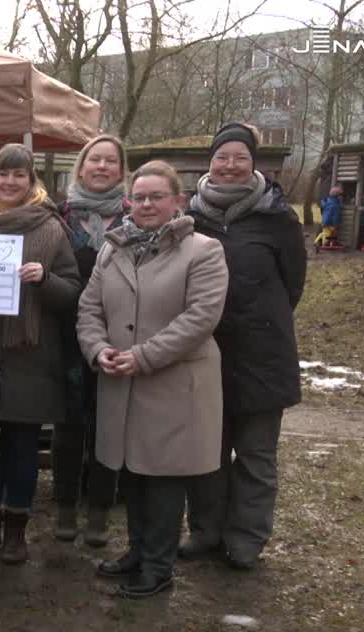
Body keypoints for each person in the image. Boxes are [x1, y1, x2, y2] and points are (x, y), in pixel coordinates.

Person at [77, 161, 228, 598]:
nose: (145, 204)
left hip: (174, 385)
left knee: (163, 479)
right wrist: (97, 348)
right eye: (139, 197)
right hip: (121, 381)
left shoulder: (204, 251)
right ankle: (138, 552)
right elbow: (89, 309)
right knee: (134, 474)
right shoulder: (113, 249)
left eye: (156, 196)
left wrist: (142, 357)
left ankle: (158, 569)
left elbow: (200, 318)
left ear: (178, 201)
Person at [184, 122, 307, 570]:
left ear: (253, 163)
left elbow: (293, 284)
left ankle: (247, 538)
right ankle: (206, 530)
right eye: (222, 157)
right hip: (205, 353)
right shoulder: (190, 217)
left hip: (262, 354)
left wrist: (261, 318)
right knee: (206, 452)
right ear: (210, 162)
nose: (230, 165)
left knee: (255, 454)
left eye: (239, 157)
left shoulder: (277, 217)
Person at [0, 143, 81, 565]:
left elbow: (72, 292)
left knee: (22, 448)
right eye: (2, 174)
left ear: (32, 180)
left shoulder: (51, 229)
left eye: (19, 175)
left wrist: (44, 279)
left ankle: (17, 529)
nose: (10, 182)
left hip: (32, 355)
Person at [54, 134, 130, 547]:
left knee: (108, 423)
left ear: (121, 170)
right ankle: (65, 504)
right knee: (68, 424)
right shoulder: (59, 215)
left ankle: (100, 506)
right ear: (81, 166)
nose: (101, 167)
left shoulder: (137, 217)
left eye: (110, 162)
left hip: (120, 337)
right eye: (94, 160)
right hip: (66, 335)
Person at [316, 183, 345, 252]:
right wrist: (335, 224)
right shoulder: (335, 206)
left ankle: (329, 244)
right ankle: (319, 243)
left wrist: (323, 200)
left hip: (325, 221)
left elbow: (323, 205)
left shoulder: (328, 201)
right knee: (328, 234)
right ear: (338, 196)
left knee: (328, 233)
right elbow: (335, 216)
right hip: (329, 222)